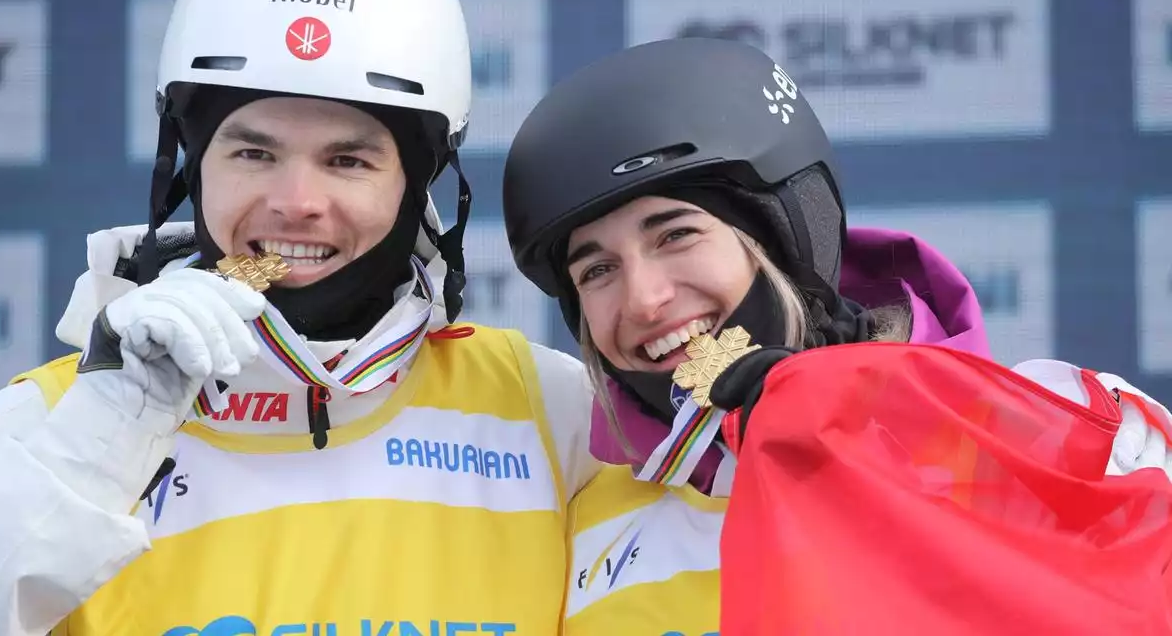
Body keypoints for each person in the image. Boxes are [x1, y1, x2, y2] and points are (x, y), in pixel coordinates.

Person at [0, 0, 598, 636]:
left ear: (418, 185)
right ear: (191, 168)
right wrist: (102, 440)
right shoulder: (47, 420)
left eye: (348, 161)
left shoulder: (551, 409)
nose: (297, 201)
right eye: (254, 152)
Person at [501, 37, 1172, 634]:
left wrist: (847, 417)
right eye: (598, 270)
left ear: (785, 235)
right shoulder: (586, 518)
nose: (645, 299)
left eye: (677, 234)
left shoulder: (1056, 429)